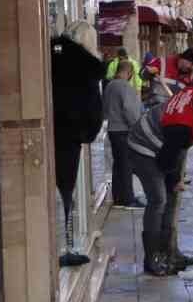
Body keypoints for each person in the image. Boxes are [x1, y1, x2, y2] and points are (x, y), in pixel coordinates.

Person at [130, 83, 193, 275]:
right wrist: (175, 180)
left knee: (171, 198)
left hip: (166, 141)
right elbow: (166, 161)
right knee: (159, 199)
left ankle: (170, 252)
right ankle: (152, 258)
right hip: (143, 146)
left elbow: (177, 148)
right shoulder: (181, 125)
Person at [51, 21, 107, 268]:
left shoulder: (52, 54)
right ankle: (65, 247)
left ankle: (60, 244)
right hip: (69, 136)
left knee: (53, 190)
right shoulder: (86, 66)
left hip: (49, 131)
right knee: (65, 190)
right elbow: (94, 110)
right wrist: (86, 133)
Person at [103, 58, 144, 208]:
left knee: (118, 164)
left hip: (112, 129)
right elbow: (130, 110)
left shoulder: (109, 86)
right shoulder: (125, 87)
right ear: (128, 72)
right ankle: (128, 198)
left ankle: (118, 197)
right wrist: (136, 126)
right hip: (124, 130)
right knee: (126, 165)